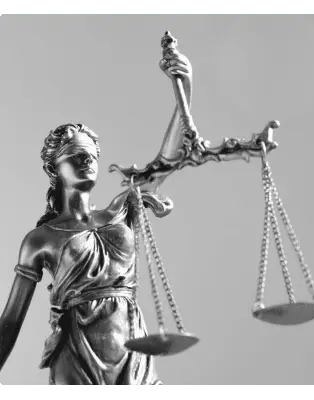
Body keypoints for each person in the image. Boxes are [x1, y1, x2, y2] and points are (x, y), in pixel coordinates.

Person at [0, 49, 193, 386]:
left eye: (91, 156)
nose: (87, 161)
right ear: (53, 168)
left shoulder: (122, 207)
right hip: (75, 355)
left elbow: (168, 159)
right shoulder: (41, 239)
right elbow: (10, 322)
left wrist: (184, 88)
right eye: (76, 156)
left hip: (132, 351)